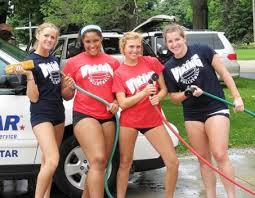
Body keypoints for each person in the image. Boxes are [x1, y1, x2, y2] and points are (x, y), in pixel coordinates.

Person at [163, 24, 244, 198]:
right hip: (192, 114)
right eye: (170, 41)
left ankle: (232, 196)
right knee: (204, 159)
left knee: (220, 154)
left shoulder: (202, 50)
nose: (174, 44)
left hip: (215, 107)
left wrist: (237, 97)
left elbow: (224, 72)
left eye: (177, 39)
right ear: (166, 44)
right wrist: (187, 92)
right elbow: (174, 98)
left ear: (184, 38)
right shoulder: (168, 67)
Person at [112, 32, 179, 198]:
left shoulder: (151, 62)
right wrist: (143, 93)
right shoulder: (119, 73)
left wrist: (159, 97)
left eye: (138, 47)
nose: (135, 50)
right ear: (123, 48)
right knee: (125, 163)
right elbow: (123, 103)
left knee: (172, 162)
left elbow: (163, 89)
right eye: (131, 47)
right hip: (130, 121)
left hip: (152, 120)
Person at [14, 22, 73, 198]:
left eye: (53, 37)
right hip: (41, 115)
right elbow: (33, 97)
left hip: (58, 113)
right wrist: (30, 75)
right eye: (46, 35)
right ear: (38, 35)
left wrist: (69, 87)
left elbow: (65, 95)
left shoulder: (54, 60)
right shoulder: (29, 61)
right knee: (54, 160)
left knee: (47, 161)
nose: (49, 39)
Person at [62, 24, 119, 198]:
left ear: (101, 39)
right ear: (82, 42)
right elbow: (66, 96)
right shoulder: (73, 63)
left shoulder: (113, 62)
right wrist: (69, 87)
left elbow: (119, 92)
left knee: (100, 165)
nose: (92, 45)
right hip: (85, 114)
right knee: (98, 159)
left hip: (108, 116)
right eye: (87, 41)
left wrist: (116, 102)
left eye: (95, 40)